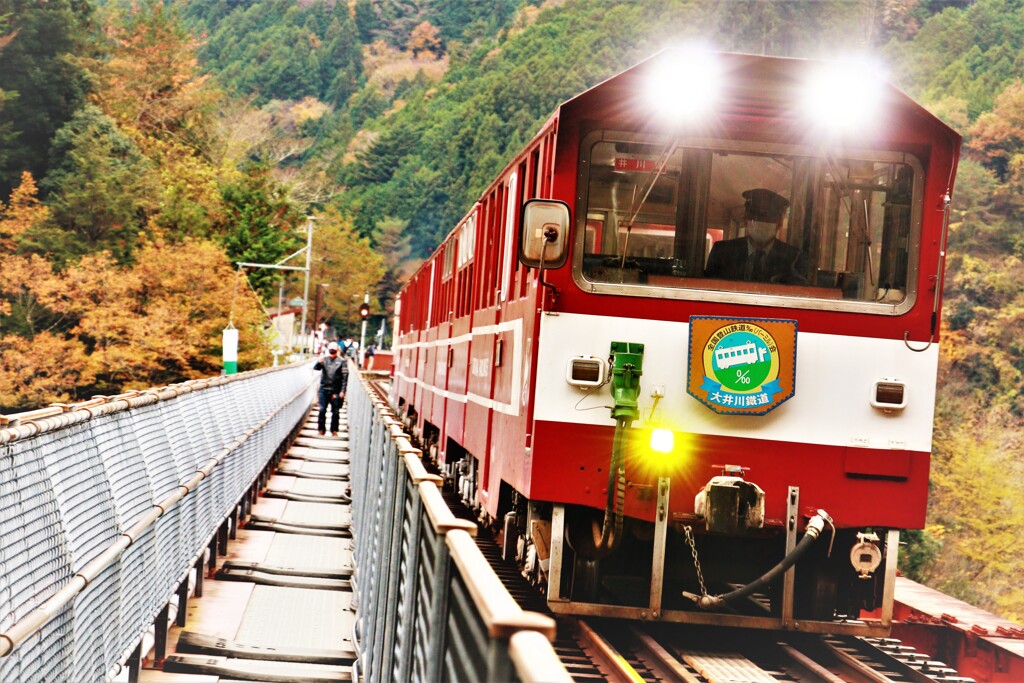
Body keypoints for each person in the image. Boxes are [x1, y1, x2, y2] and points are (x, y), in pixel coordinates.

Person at [704, 188, 808, 284]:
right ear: (746, 219)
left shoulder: (794, 258)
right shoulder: (722, 252)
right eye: (756, 216)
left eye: (769, 217)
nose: (762, 221)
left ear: (779, 222)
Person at [314, 341, 348, 436]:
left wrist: (343, 391)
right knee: (322, 410)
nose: (332, 350)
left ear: (337, 350)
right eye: (330, 348)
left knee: (335, 411)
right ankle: (321, 430)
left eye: (334, 348)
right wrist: (318, 362)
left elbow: (345, 377)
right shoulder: (324, 359)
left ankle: (334, 430)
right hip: (323, 389)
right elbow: (316, 368)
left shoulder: (342, 361)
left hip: (336, 390)